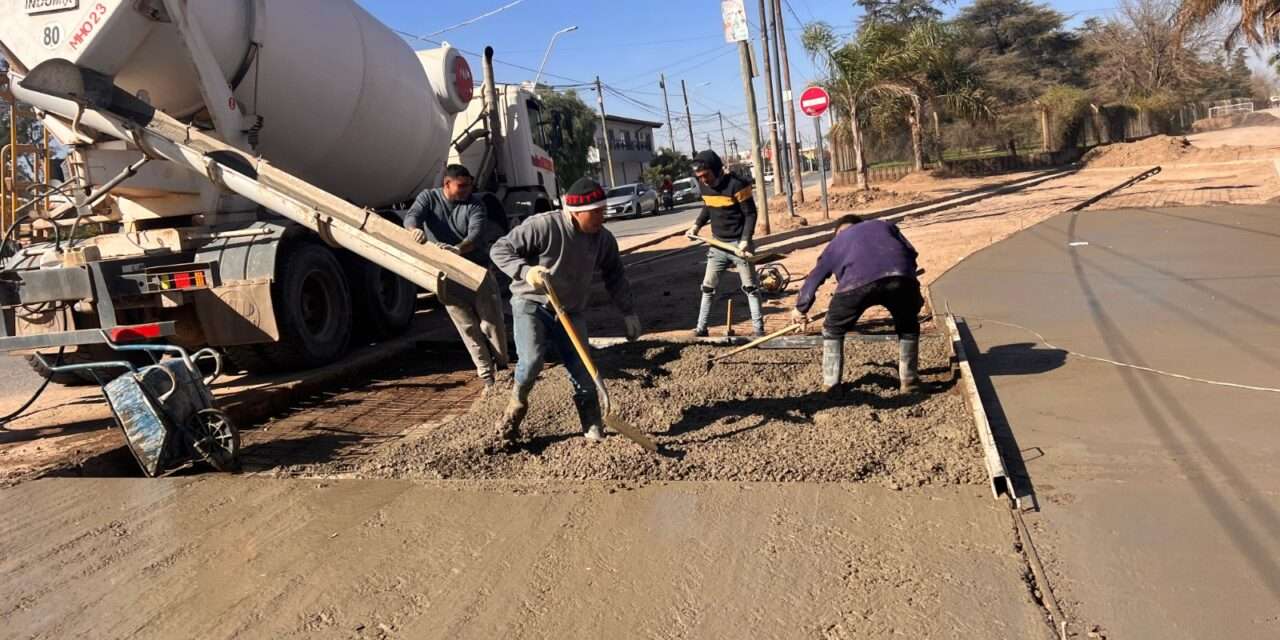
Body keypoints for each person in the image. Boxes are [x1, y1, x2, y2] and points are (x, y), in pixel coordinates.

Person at [489, 176, 641, 446]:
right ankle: (517, 402)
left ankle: (593, 423)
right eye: (596, 213)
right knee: (533, 360)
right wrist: (526, 271)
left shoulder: (603, 239)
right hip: (532, 303)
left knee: (583, 367)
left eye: (603, 211)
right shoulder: (544, 225)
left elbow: (615, 274)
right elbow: (500, 249)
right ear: (575, 212)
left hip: (570, 310)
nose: (601, 218)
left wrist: (628, 312)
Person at [791, 214, 924, 394]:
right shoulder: (883, 225)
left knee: (833, 329)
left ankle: (831, 385)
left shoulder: (835, 244)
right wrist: (911, 290)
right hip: (900, 276)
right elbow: (911, 253)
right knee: (908, 326)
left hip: (856, 283)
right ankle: (909, 382)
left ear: (838, 232)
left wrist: (800, 309)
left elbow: (815, 278)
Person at [403, 164, 509, 387]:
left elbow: (476, 234)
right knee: (468, 328)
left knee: (491, 323)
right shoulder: (428, 198)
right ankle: (486, 377)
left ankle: (503, 367)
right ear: (446, 184)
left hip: (477, 273)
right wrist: (413, 229)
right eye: (461, 186)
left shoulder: (475, 204)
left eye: (469, 185)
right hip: (446, 275)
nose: (466, 190)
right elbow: (412, 216)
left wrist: (458, 249)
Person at [684, 150, 764, 337]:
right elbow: (708, 207)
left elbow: (750, 214)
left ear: (717, 170)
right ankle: (701, 328)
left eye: (706, 175)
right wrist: (696, 227)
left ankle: (759, 330)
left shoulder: (736, 185)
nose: (703, 180)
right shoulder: (705, 188)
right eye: (699, 177)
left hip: (738, 245)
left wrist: (745, 240)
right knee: (707, 288)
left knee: (751, 288)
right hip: (718, 245)